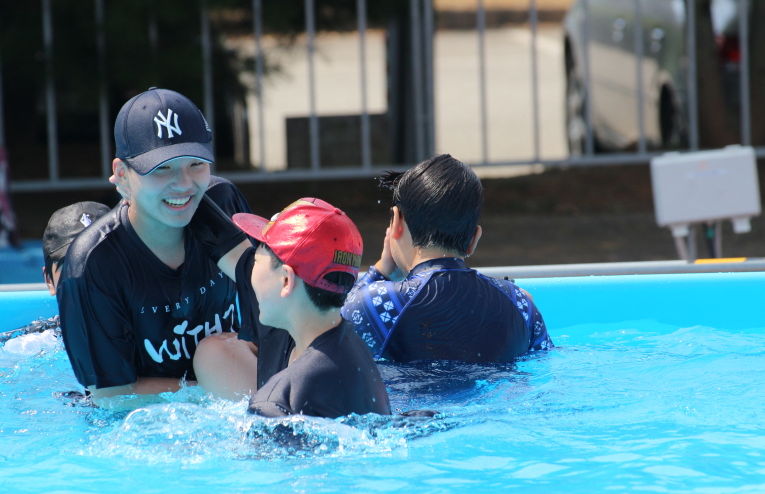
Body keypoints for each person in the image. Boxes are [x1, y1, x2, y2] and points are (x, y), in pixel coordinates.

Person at [56, 87, 252, 410]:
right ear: (122, 175)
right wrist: (215, 392)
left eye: (196, 164)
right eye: (162, 168)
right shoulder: (93, 264)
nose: (184, 184)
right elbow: (112, 396)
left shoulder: (223, 204)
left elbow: (271, 310)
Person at [191, 197, 391, 419]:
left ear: (286, 280)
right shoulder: (353, 349)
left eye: (255, 261)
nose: (250, 273)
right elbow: (225, 244)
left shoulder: (277, 404)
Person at [341, 154, 553, 363]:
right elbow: (545, 360)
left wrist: (379, 272)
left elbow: (331, 326)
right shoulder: (520, 303)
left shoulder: (377, 302)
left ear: (396, 222)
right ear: (473, 239)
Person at [0, 201, 111, 348]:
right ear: (49, 280)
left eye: (104, 264)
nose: (89, 276)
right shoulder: (22, 346)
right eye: (72, 266)